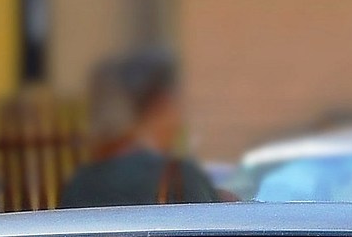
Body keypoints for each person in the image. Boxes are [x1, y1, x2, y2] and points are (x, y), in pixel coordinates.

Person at [58, 48, 226, 207]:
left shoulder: (81, 183)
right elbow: (213, 224)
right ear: (162, 104)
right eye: (178, 103)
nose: (181, 118)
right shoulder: (179, 178)